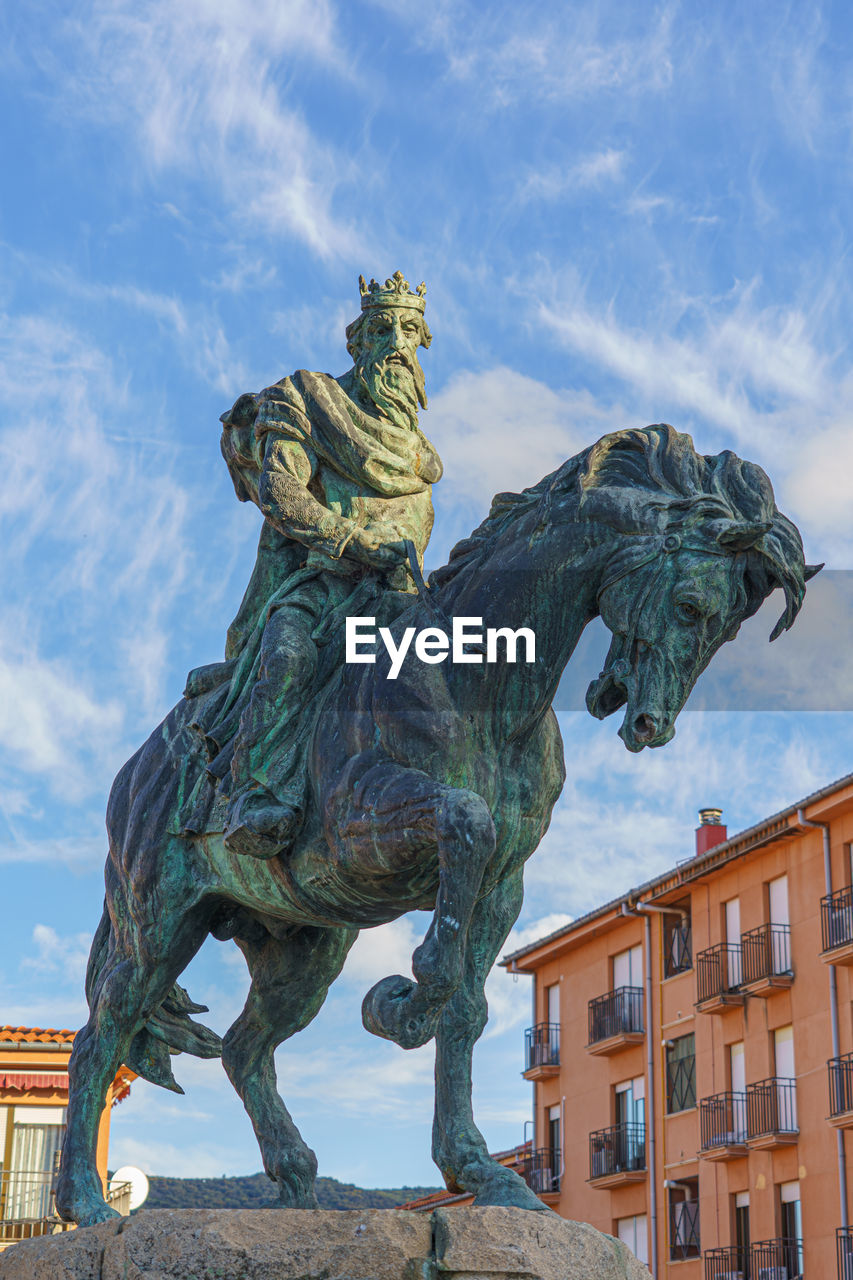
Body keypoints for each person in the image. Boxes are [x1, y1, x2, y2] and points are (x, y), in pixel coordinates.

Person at [185, 271, 443, 859]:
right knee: (290, 654)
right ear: (357, 342)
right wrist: (352, 541)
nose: (397, 344)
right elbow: (282, 493)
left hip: (399, 597)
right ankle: (257, 793)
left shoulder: (419, 453)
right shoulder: (306, 401)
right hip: (322, 584)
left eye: (409, 331)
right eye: (382, 330)